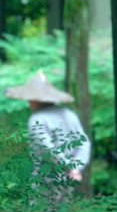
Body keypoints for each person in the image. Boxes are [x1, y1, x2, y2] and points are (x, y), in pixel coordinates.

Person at [5, 71, 91, 202]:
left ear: (35, 100)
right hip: (68, 177)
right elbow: (84, 143)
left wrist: (70, 166)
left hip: (46, 178)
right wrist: (75, 167)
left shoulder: (37, 119)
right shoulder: (69, 114)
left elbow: (48, 149)